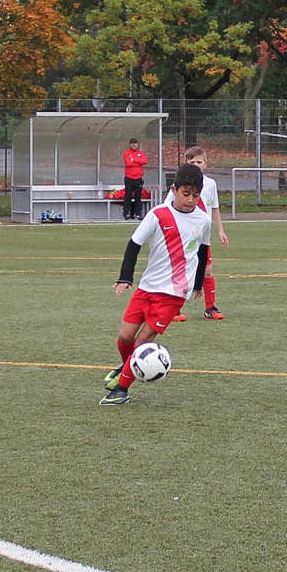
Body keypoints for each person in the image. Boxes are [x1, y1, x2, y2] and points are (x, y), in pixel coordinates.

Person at [101, 164, 211, 405]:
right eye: (186, 194)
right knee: (125, 337)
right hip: (147, 287)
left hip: (174, 293)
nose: (190, 200)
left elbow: (202, 251)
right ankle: (129, 366)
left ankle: (121, 390)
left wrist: (198, 283)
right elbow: (134, 244)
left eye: (195, 195)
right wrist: (126, 277)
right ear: (174, 190)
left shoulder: (203, 219)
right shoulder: (158, 214)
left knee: (142, 341)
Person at [170, 146, 228, 322]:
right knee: (182, 270)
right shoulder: (180, 185)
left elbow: (214, 208)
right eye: (192, 162)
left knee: (207, 271)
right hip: (184, 235)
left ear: (205, 163)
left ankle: (210, 308)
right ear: (185, 163)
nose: (196, 165)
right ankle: (174, 309)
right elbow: (168, 208)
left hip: (203, 236)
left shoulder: (210, 184)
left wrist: (220, 230)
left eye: (199, 162)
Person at [122, 137, 148, 220]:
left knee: (138, 196)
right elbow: (128, 163)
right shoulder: (126, 153)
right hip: (129, 177)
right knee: (128, 196)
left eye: (135, 143)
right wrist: (138, 162)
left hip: (138, 178)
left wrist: (134, 160)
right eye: (132, 143)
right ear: (130, 144)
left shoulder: (140, 153)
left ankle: (138, 214)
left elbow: (144, 161)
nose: (134, 145)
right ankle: (126, 213)